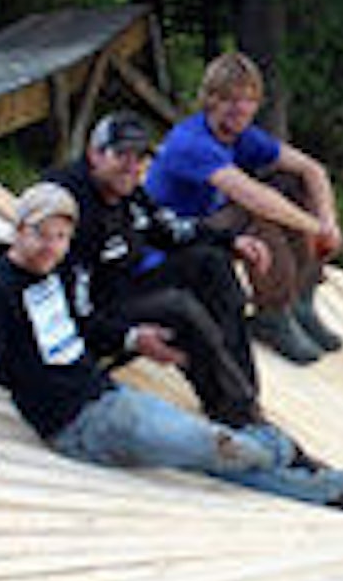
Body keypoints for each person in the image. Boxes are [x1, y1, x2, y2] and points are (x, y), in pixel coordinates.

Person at [0, 181, 343, 512]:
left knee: (216, 455)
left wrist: (132, 339)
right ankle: (295, 459)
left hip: (108, 396)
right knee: (227, 448)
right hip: (79, 425)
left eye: (61, 237)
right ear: (17, 230)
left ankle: (339, 492)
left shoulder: (54, 270)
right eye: (40, 234)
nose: (51, 246)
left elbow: (82, 323)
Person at [46, 111, 269, 428]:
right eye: (122, 155)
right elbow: (69, 310)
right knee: (179, 309)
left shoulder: (127, 193)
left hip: (120, 290)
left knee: (211, 263)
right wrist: (129, 338)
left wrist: (231, 242)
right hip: (90, 321)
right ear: (94, 154)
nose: (133, 166)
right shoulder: (66, 205)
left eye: (140, 158)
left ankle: (244, 396)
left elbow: (169, 230)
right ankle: (239, 416)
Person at [145, 51, 343, 364]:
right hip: (171, 237)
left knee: (291, 183)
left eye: (249, 100)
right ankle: (272, 313)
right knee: (258, 213)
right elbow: (254, 197)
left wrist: (328, 222)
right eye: (231, 99)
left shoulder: (242, 136)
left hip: (211, 222)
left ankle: (301, 300)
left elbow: (312, 170)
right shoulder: (191, 142)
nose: (241, 108)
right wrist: (314, 227)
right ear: (210, 99)